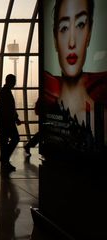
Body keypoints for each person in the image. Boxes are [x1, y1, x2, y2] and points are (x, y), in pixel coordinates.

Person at [44, 0, 107, 138]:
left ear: (89, 34)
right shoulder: (48, 99)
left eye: (80, 24)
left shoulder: (102, 118)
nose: (72, 42)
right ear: (55, 39)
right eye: (64, 28)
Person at [0, 74, 21, 171]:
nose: (15, 83)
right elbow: (9, 109)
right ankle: (4, 159)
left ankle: (4, 160)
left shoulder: (4, 92)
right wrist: (16, 119)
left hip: (4, 121)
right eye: (14, 81)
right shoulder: (6, 92)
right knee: (15, 138)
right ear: (10, 81)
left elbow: (5, 108)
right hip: (7, 122)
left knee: (4, 141)